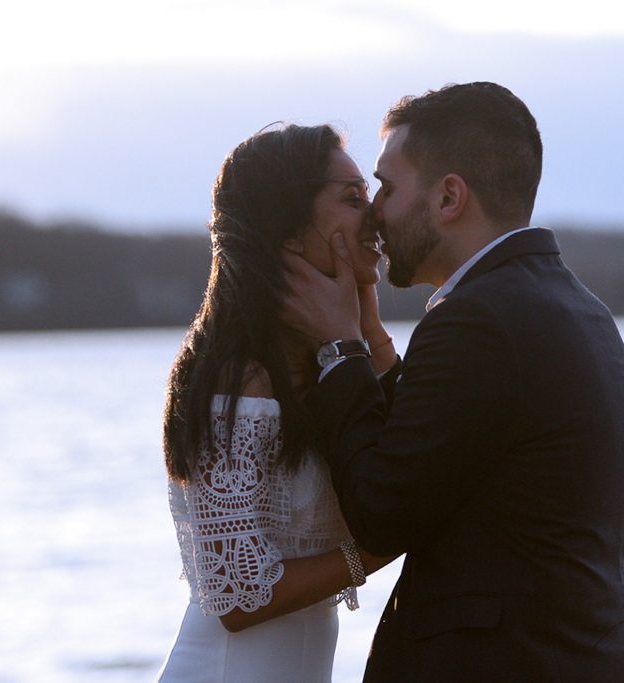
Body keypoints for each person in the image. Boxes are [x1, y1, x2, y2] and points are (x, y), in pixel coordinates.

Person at [282, 82, 624, 681]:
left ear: (449, 196)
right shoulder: (576, 306)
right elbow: (439, 451)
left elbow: (380, 509)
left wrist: (337, 348)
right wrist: (371, 340)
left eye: (389, 187)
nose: (375, 209)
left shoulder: (476, 320)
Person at [157, 124, 397, 682]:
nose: (377, 215)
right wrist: (378, 550)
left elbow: (411, 455)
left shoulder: (326, 367)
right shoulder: (239, 379)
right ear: (288, 231)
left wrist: (365, 327)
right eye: (353, 198)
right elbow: (237, 595)